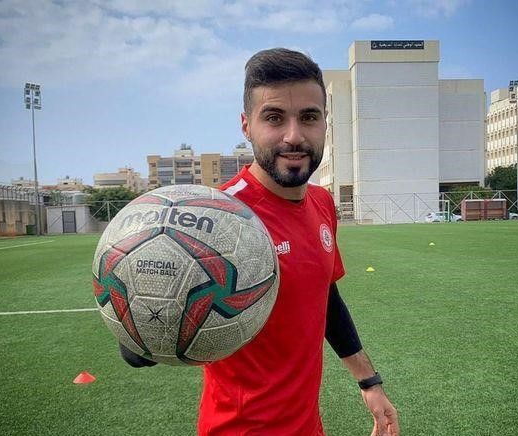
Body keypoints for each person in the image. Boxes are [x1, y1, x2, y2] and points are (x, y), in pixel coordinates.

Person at [121, 48, 399, 436]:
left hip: (308, 426)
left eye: (309, 117)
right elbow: (138, 341)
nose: (294, 136)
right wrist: (146, 329)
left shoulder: (322, 203)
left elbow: (324, 296)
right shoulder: (214, 219)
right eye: (274, 117)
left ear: (325, 123)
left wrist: (369, 382)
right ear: (246, 126)